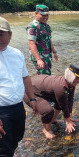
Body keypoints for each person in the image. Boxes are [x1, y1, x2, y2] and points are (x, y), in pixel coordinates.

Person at [0, 17, 37, 157]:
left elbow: (25, 77)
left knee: (17, 137)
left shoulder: (17, 54)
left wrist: (32, 99)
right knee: (3, 147)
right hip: (1, 110)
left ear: (10, 35)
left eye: (0, 34)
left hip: (18, 107)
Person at [23, 64, 79, 139]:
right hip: (29, 92)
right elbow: (64, 106)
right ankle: (47, 129)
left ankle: (52, 120)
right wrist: (67, 121)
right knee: (48, 111)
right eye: (76, 78)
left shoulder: (71, 83)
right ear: (70, 76)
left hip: (41, 88)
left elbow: (70, 100)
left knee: (59, 104)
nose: (78, 81)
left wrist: (70, 115)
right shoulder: (61, 87)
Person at [26, 4, 58, 75]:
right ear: (36, 13)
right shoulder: (33, 27)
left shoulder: (46, 26)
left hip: (47, 56)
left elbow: (49, 40)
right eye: (43, 15)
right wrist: (38, 59)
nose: (45, 17)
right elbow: (31, 43)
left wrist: (54, 52)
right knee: (44, 77)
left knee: (47, 75)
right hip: (40, 57)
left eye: (47, 15)